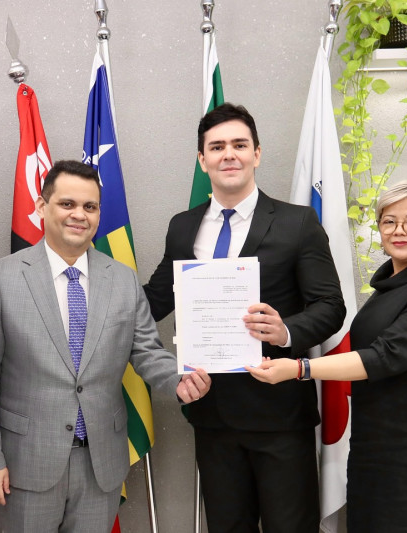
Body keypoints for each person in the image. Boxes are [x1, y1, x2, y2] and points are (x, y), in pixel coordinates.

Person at [144, 103, 346, 532]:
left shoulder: (297, 222)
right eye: (216, 147)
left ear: (257, 153)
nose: (228, 154)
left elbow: (331, 307)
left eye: (239, 144)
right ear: (203, 160)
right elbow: (155, 300)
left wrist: (288, 329)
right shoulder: (182, 227)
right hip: (211, 411)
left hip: (278, 414)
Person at [0, 160, 211, 532]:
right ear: (41, 207)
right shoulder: (1, 277)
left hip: (101, 463)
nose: (79, 215)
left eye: (90, 207)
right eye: (67, 204)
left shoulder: (121, 279)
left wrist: (180, 379)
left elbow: (147, 351)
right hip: (26, 463)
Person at [247, 180, 407, 533]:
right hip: (375, 448)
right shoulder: (389, 287)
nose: (399, 231)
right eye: (388, 221)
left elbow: (384, 357)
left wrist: (300, 368)